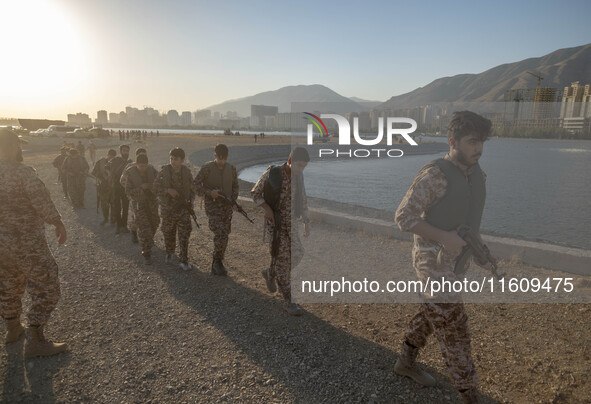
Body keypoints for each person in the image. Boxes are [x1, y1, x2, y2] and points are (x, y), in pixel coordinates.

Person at [393, 111, 496, 404]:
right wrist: (444, 237)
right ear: (453, 141)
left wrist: (481, 254)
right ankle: (469, 393)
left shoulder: (478, 175)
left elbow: (469, 221)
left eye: (482, 142)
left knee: (430, 313)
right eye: (472, 141)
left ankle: (405, 362)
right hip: (431, 259)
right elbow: (403, 217)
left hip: (458, 259)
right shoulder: (435, 176)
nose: (478, 148)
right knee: (454, 326)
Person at [0, 128, 68, 357]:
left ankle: (12, 329)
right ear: (13, 147)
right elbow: (41, 201)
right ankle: (36, 339)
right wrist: (57, 222)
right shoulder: (23, 173)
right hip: (26, 242)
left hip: (1, 245)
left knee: (8, 283)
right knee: (48, 284)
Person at [251, 147, 311, 316]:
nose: (301, 169)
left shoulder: (299, 177)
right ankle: (288, 300)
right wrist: (267, 209)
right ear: (290, 161)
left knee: (298, 253)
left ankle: (271, 272)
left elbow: (304, 200)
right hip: (275, 225)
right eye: (299, 165)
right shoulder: (273, 173)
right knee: (283, 261)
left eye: (304, 167)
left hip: (292, 225)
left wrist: (307, 221)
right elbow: (255, 193)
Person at [194, 144, 239, 276]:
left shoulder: (231, 169)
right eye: (219, 158)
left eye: (224, 159)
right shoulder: (207, 168)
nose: (221, 161)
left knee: (225, 234)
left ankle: (217, 260)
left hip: (227, 208)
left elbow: (235, 186)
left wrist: (233, 201)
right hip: (213, 207)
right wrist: (209, 193)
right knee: (220, 234)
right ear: (214, 156)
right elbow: (195, 185)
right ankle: (217, 262)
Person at [153, 147, 195, 271]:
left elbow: (192, 189)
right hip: (168, 210)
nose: (173, 161)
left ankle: (184, 260)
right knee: (168, 232)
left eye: (176, 159)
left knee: (184, 234)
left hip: (183, 209)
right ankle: (169, 252)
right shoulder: (164, 172)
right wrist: (167, 190)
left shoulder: (186, 172)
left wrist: (191, 202)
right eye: (171, 159)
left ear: (182, 160)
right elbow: (155, 187)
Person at [125, 154, 159, 265]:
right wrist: (141, 187)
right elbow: (128, 191)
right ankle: (146, 252)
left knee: (155, 223)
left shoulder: (152, 170)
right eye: (141, 166)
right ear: (136, 164)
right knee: (144, 227)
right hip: (139, 203)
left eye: (145, 166)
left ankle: (148, 241)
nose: (143, 168)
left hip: (152, 203)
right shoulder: (130, 173)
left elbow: (159, 184)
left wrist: (152, 186)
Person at [120, 148, 147, 244]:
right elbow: (122, 180)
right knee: (136, 218)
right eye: (140, 154)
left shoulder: (147, 166)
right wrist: (132, 191)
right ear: (136, 156)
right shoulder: (130, 167)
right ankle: (134, 233)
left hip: (146, 199)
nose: (142, 156)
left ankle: (147, 236)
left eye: (144, 154)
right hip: (135, 198)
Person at [107, 145, 132, 234]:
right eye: (124, 150)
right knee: (117, 207)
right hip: (116, 188)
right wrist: (110, 177)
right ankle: (119, 226)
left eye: (127, 151)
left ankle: (124, 226)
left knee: (125, 208)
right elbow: (107, 168)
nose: (126, 152)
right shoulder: (115, 160)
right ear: (120, 151)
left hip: (126, 188)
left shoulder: (130, 162)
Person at [92, 149, 117, 225]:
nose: (111, 158)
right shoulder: (100, 162)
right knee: (104, 205)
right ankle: (105, 218)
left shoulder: (116, 163)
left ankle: (113, 219)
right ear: (107, 154)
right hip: (103, 188)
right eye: (110, 156)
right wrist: (102, 176)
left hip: (113, 188)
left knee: (114, 204)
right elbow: (94, 172)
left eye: (113, 156)